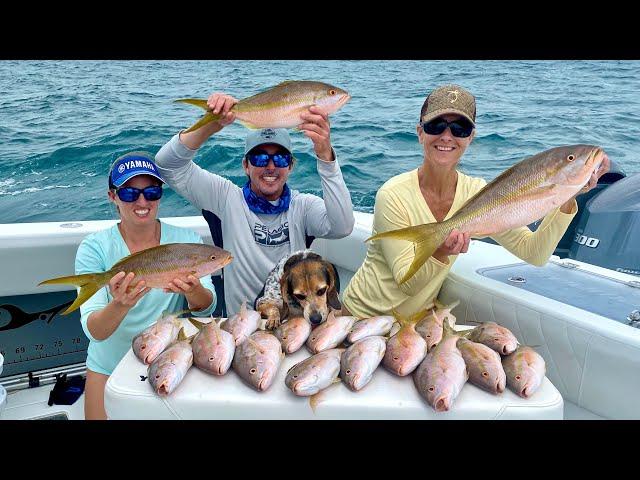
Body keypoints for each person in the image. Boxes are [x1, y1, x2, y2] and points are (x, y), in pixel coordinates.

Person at [341, 84, 611, 319]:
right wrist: (441, 250)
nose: (447, 136)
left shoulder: (480, 194)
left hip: (411, 324)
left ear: (471, 137)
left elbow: (535, 253)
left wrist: (567, 198)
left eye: (459, 128)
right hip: (362, 315)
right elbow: (406, 283)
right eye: (436, 125)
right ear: (420, 132)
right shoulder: (393, 194)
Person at [154, 92, 354, 319]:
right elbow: (167, 165)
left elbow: (343, 226)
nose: (270, 167)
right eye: (259, 159)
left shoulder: (303, 206)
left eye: (279, 159)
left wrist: (325, 155)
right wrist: (212, 124)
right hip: (242, 328)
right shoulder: (225, 198)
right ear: (245, 166)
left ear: (290, 166)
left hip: (295, 327)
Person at [76, 152, 217, 420]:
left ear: (160, 195)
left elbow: (204, 309)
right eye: (129, 194)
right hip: (108, 363)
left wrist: (192, 290)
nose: (142, 201)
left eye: (151, 192)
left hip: (168, 360)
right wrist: (119, 305)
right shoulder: (94, 247)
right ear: (112, 196)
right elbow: (95, 331)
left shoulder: (186, 239)